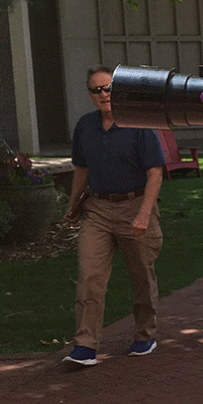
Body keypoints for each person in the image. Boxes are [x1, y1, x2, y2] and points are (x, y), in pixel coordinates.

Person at [63, 65, 167, 366]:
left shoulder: (139, 125)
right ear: (89, 94)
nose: (103, 94)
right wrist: (73, 205)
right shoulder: (85, 126)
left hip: (134, 205)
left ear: (118, 90)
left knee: (142, 276)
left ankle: (144, 335)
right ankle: (85, 345)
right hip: (97, 209)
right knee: (89, 278)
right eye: (96, 90)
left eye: (108, 88)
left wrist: (144, 215)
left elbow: (155, 173)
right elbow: (81, 169)